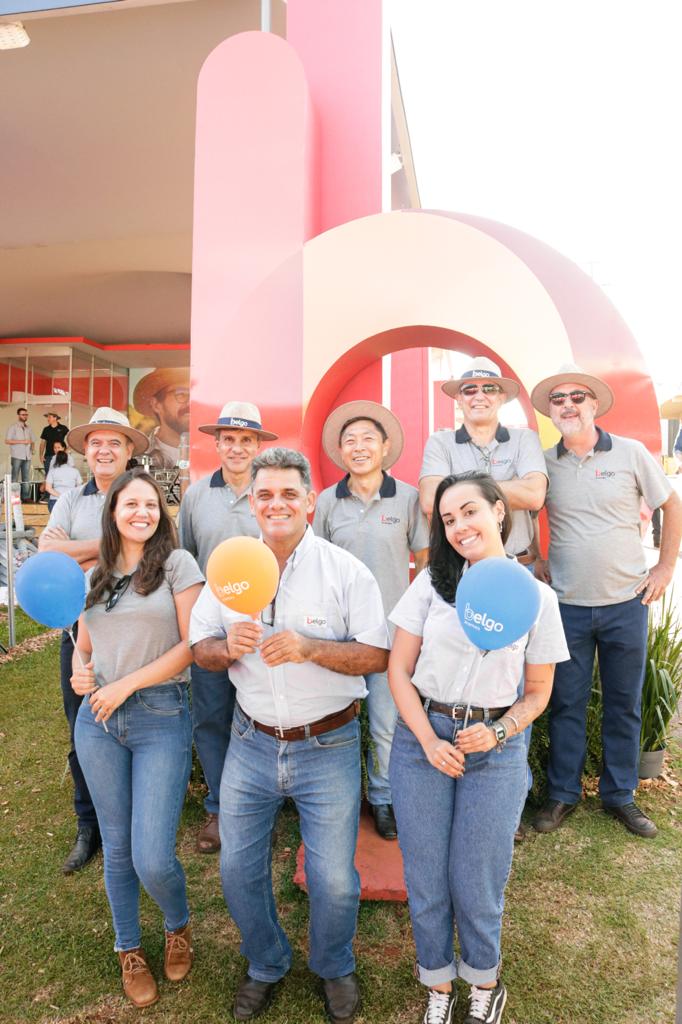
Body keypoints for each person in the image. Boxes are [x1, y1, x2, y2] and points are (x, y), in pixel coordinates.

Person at [189, 448, 389, 1024]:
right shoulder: (228, 572)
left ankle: (332, 964)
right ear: (252, 503)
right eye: (264, 495)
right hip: (251, 742)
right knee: (235, 868)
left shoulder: (345, 571)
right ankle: (266, 961)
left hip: (327, 744)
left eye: (288, 494)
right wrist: (225, 648)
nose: (276, 504)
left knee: (334, 879)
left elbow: (376, 654)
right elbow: (200, 648)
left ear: (309, 501)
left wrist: (310, 648)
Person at [388, 472, 569, 1024]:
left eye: (469, 511)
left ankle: (483, 982)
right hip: (424, 741)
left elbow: (538, 692)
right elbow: (398, 669)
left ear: (498, 510)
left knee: (477, 877)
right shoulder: (432, 585)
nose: (460, 526)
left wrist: (499, 732)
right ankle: (438, 985)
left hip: (496, 750)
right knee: (425, 875)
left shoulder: (537, 597)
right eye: (448, 519)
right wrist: (426, 739)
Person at [530, 363, 682, 839]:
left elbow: (671, 504)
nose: (568, 405)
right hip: (567, 606)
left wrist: (664, 569)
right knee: (566, 703)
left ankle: (620, 797)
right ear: (551, 412)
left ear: (594, 404)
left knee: (623, 702)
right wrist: (534, 555)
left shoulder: (631, 453)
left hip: (626, 602)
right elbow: (519, 508)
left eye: (577, 397)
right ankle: (563, 795)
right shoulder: (543, 463)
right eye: (559, 399)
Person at [70, 469, 204, 1008]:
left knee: (153, 854)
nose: (142, 512)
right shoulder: (95, 573)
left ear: (161, 512)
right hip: (98, 720)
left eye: (151, 504)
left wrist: (125, 682)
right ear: (113, 511)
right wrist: (83, 670)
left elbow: (192, 646)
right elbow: (85, 643)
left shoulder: (177, 565)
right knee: (118, 848)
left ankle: (177, 923)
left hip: (160, 714)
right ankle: (129, 948)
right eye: (131, 504)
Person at [38, 407, 149, 874]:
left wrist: (78, 550)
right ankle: (90, 825)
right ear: (87, 451)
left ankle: (136, 821)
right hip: (80, 634)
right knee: (81, 725)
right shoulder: (72, 500)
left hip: (138, 637)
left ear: (127, 452)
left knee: (141, 726)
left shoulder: (142, 495)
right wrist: (110, 545)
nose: (104, 450)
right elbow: (47, 550)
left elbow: (152, 551)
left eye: (115, 443)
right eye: (97, 443)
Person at [313, 400, 429, 839]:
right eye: (349, 441)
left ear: (384, 448)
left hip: (390, 634)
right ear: (340, 451)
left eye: (367, 440)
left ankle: (383, 799)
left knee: (386, 721)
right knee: (334, 716)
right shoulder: (327, 502)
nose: (358, 448)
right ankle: (333, 798)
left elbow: (425, 560)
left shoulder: (408, 498)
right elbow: (315, 563)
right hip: (340, 634)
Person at [178, 401, 277, 854]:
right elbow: (185, 561)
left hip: (267, 624)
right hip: (213, 630)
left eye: (246, 440)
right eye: (229, 439)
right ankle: (220, 809)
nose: (237, 448)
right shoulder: (197, 496)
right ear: (216, 444)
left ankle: (262, 806)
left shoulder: (272, 493)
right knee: (213, 719)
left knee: (264, 717)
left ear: (259, 445)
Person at [132, 368, 190, 470]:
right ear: (156, 405)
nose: (190, 403)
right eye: (181, 395)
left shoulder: (215, 452)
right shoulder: (137, 456)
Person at [5, 406, 36, 502]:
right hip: (17, 456)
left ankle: (26, 497)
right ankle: (14, 497)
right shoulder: (13, 427)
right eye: (23, 414)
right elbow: (7, 441)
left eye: (26, 414)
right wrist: (22, 441)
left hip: (27, 456)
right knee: (15, 477)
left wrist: (32, 449)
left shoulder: (29, 428)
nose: (25, 416)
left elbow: (32, 440)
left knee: (26, 477)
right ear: (18, 415)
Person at [44, 443, 82, 512]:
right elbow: (79, 487)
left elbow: (48, 488)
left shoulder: (52, 471)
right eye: (55, 447)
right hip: (71, 500)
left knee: (55, 522)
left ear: (56, 459)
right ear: (67, 459)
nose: (56, 449)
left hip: (55, 500)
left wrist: (60, 495)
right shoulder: (75, 471)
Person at [39, 411, 69, 479]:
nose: (48, 419)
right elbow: (42, 443)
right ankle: (48, 489)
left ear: (55, 418)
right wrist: (41, 455)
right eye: (47, 417)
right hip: (48, 457)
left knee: (60, 476)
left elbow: (71, 438)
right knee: (48, 476)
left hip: (60, 456)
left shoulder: (63, 428)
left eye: (49, 417)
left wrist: (66, 450)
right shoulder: (46, 429)